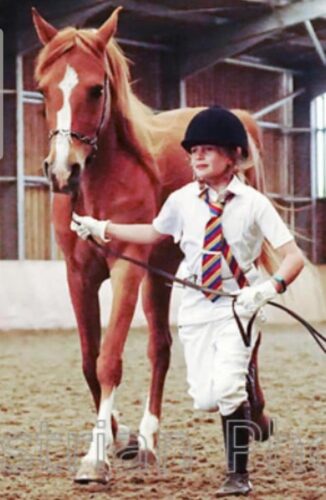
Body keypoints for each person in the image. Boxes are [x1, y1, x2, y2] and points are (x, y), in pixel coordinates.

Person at [70, 106, 304, 497]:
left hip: (238, 304)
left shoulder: (253, 204)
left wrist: (267, 289)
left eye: (208, 149)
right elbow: (151, 233)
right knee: (206, 397)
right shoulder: (181, 200)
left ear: (233, 156)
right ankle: (243, 388)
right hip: (196, 308)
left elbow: (293, 256)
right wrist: (102, 228)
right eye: (193, 149)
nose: (196, 155)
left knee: (227, 388)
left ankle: (237, 476)